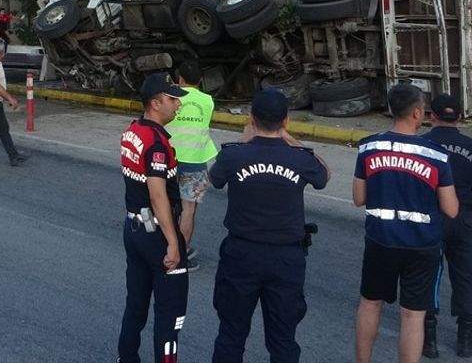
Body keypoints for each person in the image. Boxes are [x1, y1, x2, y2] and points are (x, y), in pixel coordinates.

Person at [208, 89, 330, 363]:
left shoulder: (234, 155)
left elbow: (213, 177)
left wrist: (244, 139)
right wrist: (289, 139)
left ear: (251, 118)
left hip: (241, 254)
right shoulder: (299, 158)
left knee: (231, 334)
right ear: (286, 121)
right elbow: (324, 175)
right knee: (283, 340)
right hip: (286, 259)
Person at [353, 83, 459, 363]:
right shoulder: (436, 155)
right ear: (416, 113)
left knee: (370, 303)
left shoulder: (369, 146)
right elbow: (451, 209)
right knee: (413, 315)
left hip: (380, 239)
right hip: (421, 244)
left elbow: (358, 198)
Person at [419, 94, 472, 358]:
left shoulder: (421, 144)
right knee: (466, 276)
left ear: (431, 116)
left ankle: (429, 338)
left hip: (431, 217)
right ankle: (466, 340)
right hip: (464, 218)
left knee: (428, 275)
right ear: (459, 117)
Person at [117, 72, 189, 363]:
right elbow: (158, 194)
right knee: (170, 318)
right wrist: (173, 242)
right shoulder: (157, 144)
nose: (177, 105)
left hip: (134, 229)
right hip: (156, 234)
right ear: (155, 103)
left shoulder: (133, 130)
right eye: (172, 99)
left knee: (135, 306)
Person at [169, 59, 217, 271]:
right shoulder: (207, 101)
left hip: (169, 161)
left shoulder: (170, 97)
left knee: (165, 206)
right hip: (195, 162)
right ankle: (181, 254)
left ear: (180, 79)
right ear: (199, 80)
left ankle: (165, 248)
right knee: (188, 210)